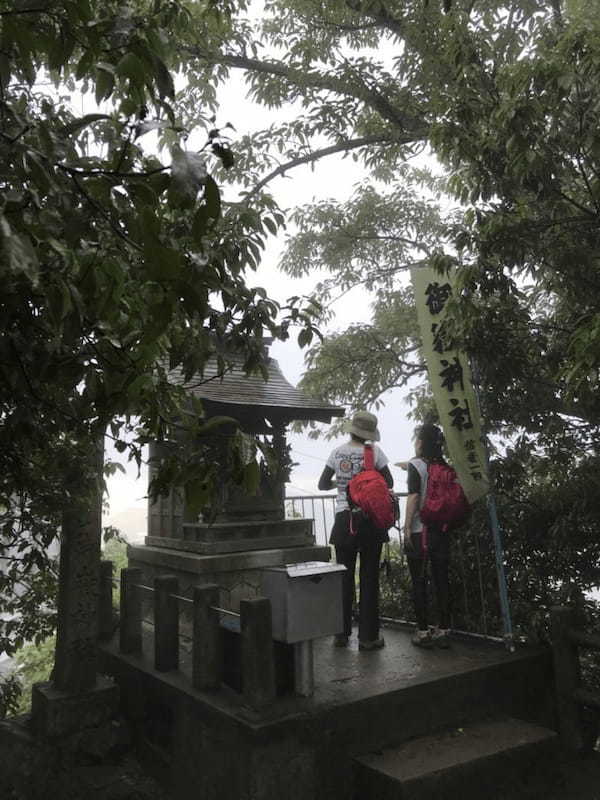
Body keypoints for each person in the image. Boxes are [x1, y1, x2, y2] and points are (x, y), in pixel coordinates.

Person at [318, 410, 393, 650]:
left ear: (352, 429)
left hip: (344, 519)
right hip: (369, 520)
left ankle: (341, 635)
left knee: (344, 577)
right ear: (369, 434)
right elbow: (388, 483)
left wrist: (342, 484)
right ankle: (368, 638)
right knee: (369, 578)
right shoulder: (375, 452)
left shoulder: (337, 452)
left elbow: (321, 484)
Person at [402, 423, 452, 649]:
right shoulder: (442, 464)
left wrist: (405, 528)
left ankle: (423, 632)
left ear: (420, 442)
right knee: (442, 580)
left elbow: (413, 497)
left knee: (419, 582)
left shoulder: (416, 465)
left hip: (419, 532)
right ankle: (444, 630)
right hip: (441, 530)